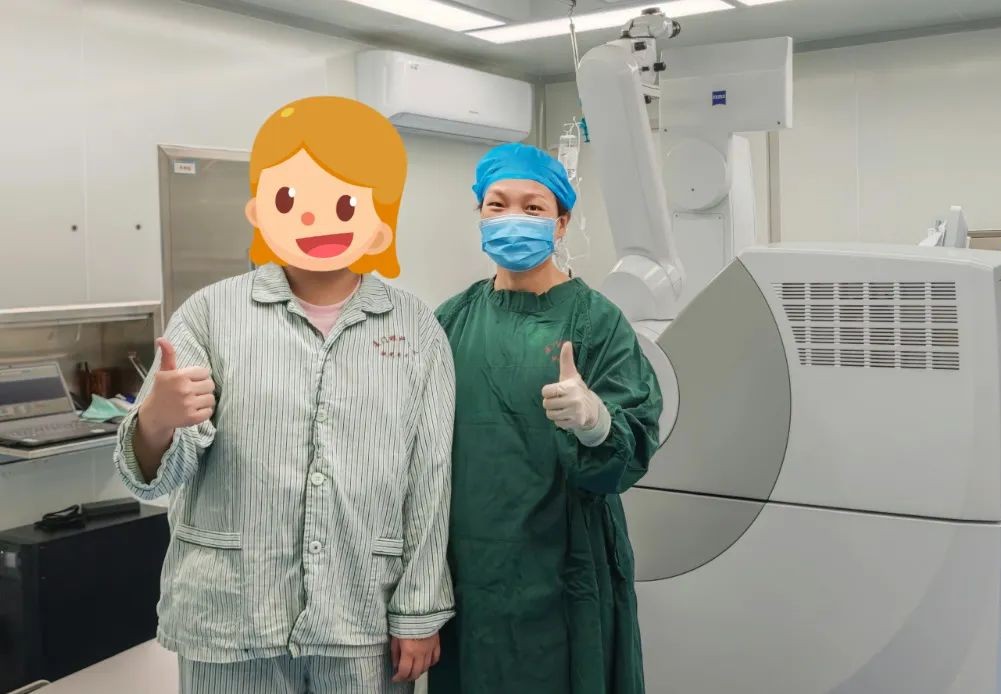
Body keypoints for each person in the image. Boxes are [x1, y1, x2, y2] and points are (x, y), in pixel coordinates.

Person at [113, 96, 454, 694]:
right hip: (232, 617)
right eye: (292, 198)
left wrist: (419, 609)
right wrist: (156, 423)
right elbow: (150, 479)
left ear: (380, 214)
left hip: (361, 615)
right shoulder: (211, 315)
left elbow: (430, 479)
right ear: (260, 207)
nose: (317, 220)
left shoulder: (415, 329)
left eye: (344, 202)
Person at [428, 143, 662, 694]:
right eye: (497, 204)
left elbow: (632, 447)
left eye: (533, 208)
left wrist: (597, 423)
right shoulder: (451, 321)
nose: (513, 217)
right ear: (480, 214)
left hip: (566, 567)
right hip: (469, 568)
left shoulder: (596, 320)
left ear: (560, 223)